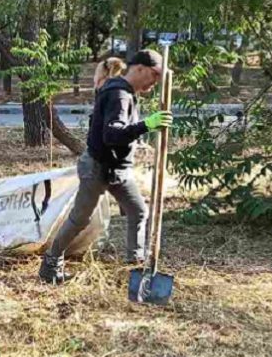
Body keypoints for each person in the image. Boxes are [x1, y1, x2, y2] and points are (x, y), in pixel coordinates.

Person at [39, 49, 174, 284]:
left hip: (118, 169)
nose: (155, 82)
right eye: (153, 75)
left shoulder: (127, 93)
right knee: (80, 219)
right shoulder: (119, 95)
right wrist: (146, 125)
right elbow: (112, 134)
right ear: (139, 68)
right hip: (97, 168)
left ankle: (135, 266)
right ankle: (51, 262)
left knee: (138, 210)